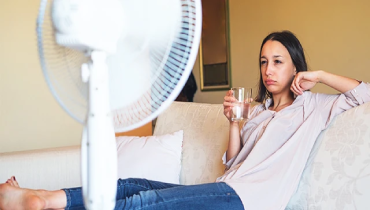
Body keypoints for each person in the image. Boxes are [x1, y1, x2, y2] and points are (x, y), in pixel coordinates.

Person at [1, 30, 369, 210]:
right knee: (129, 183)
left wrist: (319, 74)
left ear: (294, 66)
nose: (268, 69)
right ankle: (49, 198)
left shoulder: (315, 107)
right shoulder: (257, 110)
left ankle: (43, 202)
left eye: (277, 61)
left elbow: (363, 94)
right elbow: (233, 163)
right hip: (227, 186)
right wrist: (234, 123)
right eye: (263, 61)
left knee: (146, 201)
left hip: (249, 202)